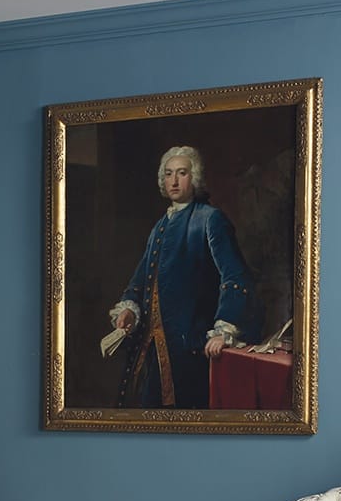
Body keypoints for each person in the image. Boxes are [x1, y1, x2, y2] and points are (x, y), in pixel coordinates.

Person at [106, 146, 258, 409]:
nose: (174, 181)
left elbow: (235, 276)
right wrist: (129, 310)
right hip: (150, 349)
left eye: (182, 173)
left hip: (189, 348)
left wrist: (225, 330)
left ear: (194, 177)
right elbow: (141, 279)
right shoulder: (160, 226)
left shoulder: (210, 219)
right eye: (168, 174)